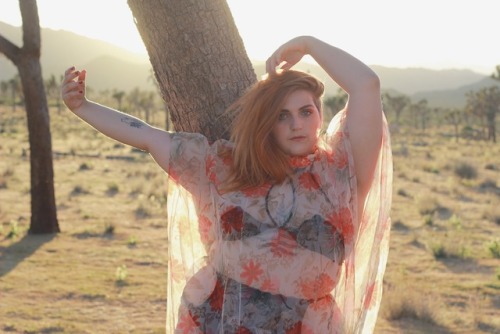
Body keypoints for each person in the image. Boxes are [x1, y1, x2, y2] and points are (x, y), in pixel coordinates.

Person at [62, 35, 392, 333]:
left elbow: (367, 85)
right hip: (218, 321)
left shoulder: (340, 172)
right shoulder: (227, 166)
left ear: (319, 114)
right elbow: (148, 137)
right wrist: (82, 107)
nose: (296, 124)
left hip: (308, 326)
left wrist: (307, 45)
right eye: (281, 116)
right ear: (266, 123)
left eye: (306, 112)